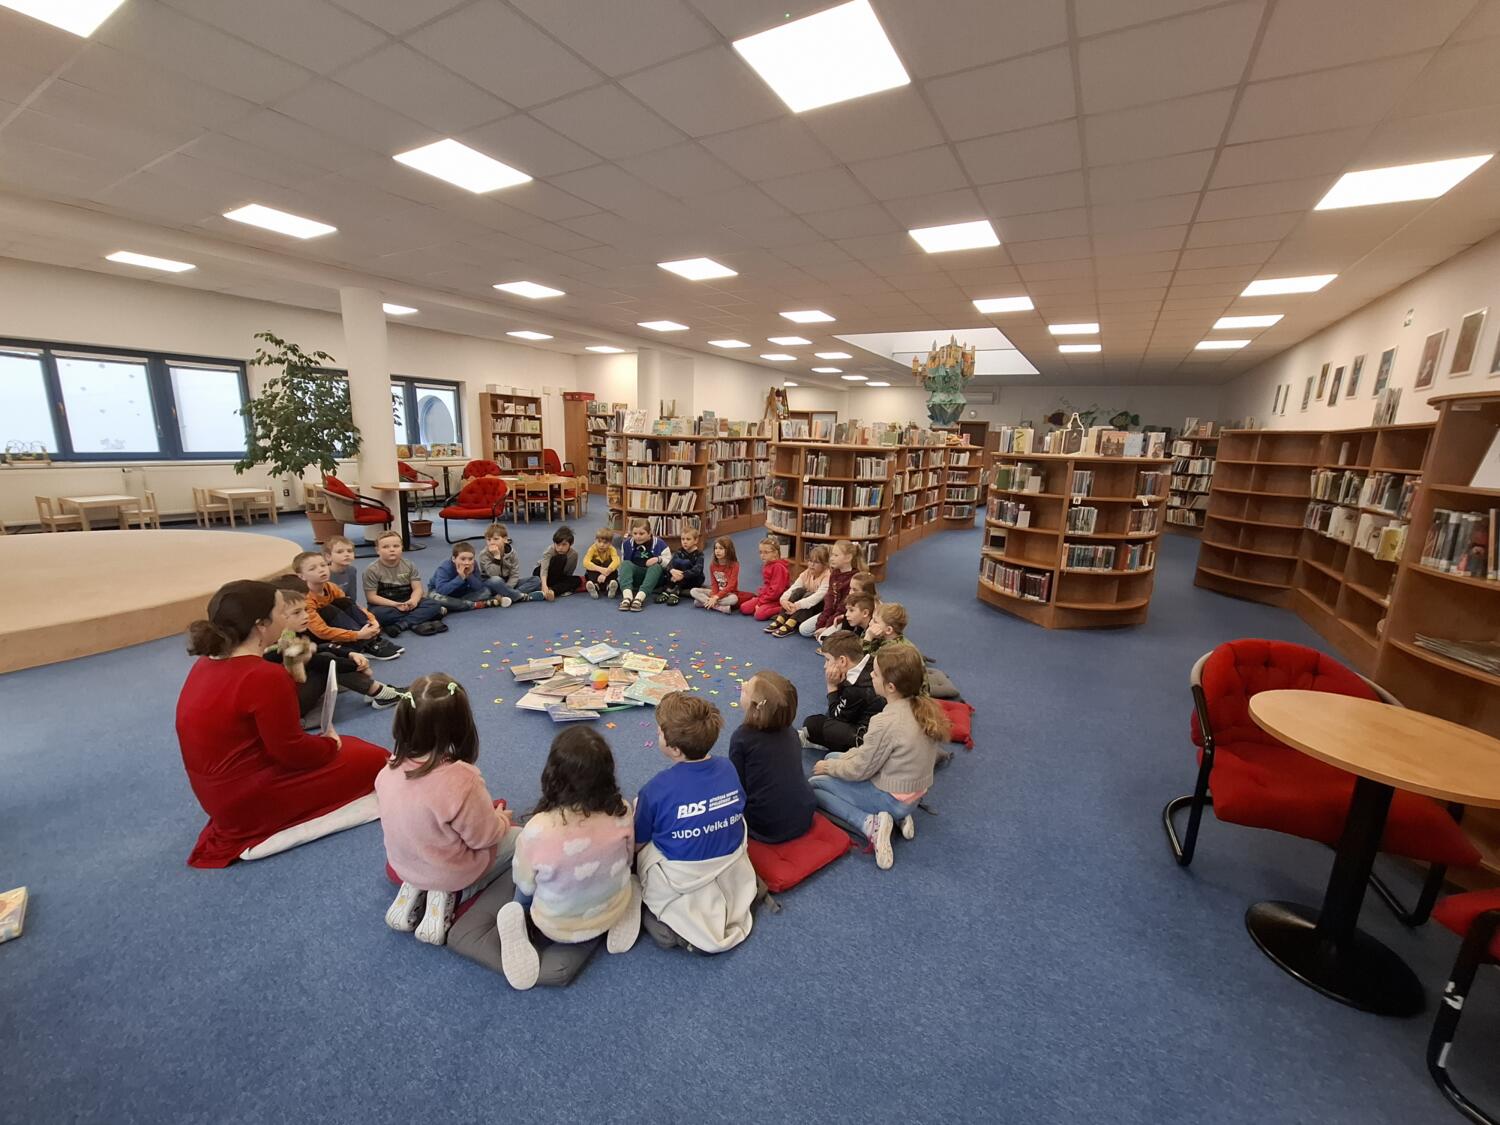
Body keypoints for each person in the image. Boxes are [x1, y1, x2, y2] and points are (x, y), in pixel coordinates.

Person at [174, 579, 388, 868]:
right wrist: (329, 745)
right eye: (280, 611)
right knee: (374, 758)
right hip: (250, 796)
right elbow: (291, 751)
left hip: (218, 795)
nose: (286, 617)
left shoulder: (204, 664)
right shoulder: (263, 675)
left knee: (353, 749)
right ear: (261, 625)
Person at [377, 674, 521, 945]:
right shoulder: (462, 780)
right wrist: (501, 820)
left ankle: (416, 887)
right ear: (461, 726)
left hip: (405, 862)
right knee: (521, 838)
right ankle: (449, 893)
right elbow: (484, 838)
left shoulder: (387, 770)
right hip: (452, 870)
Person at [494, 727, 640, 990]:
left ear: (553, 776)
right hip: (612, 906)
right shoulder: (622, 811)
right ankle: (623, 905)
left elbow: (525, 883)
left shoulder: (538, 829)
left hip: (553, 926)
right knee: (623, 874)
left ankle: (519, 920)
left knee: (522, 891)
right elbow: (629, 859)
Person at [634, 692, 756, 953]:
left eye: (659, 732)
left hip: (683, 872)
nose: (657, 733)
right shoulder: (728, 767)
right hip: (729, 857)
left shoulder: (656, 789)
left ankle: (667, 921)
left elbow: (637, 843)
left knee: (639, 852)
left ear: (675, 749)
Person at [809, 644, 949, 870]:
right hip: (911, 793)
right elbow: (869, 754)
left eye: (875, 673)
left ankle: (869, 824)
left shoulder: (886, 722)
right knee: (834, 756)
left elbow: (860, 770)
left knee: (814, 786)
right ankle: (898, 817)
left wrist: (829, 768)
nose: (871, 676)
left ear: (890, 687)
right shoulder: (922, 706)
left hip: (892, 799)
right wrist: (835, 761)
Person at [266, 577, 403, 713]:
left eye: (305, 609)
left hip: (294, 689)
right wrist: (356, 666)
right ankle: (380, 693)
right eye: (297, 612)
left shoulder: (290, 633)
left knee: (330, 657)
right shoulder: (280, 644)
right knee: (329, 664)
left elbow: (319, 647)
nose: (306, 616)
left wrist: (349, 654)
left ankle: (375, 690)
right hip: (289, 707)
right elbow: (319, 661)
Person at [729, 670, 816, 845]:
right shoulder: (791, 732)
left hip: (767, 825)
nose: (742, 684)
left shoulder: (742, 738)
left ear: (757, 709)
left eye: (747, 689)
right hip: (804, 814)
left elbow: (737, 786)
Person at [295, 550, 402, 661]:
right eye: (312, 569)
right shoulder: (304, 599)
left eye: (323, 565)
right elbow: (321, 631)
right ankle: (364, 644)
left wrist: (372, 621)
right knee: (327, 610)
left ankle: (372, 638)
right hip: (316, 637)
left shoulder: (331, 587)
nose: (321, 570)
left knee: (344, 602)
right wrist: (357, 635)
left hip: (338, 630)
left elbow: (353, 606)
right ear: (301, 576)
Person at [800, 630, 884, 755]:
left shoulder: (855, 689)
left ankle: (836, 747)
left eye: (827, 660)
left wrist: (832, 686)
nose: (825, 666)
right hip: (878, 723)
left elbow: (836, 717)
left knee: (811, 724)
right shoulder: (870, 660)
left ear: (842, 661)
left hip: (866, 738)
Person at [363, 531, 446, 636]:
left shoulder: (409, 565)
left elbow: (418, 589)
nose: (392, 549)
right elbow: (371, 597)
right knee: (378, 615)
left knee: (434, 605)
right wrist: (395, 604)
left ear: (401, 547)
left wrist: (413, 601)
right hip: (386, 604)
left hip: (407, 600)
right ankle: (420, 620)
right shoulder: (371, 570)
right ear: (377, 550)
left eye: (396, 546)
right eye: (385, 547)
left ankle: (401, 625)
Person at [766, 545, 829, 638]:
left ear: (825, 565)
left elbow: (817, 598)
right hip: (802, 606)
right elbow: (794, 587)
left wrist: (797, 605)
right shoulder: (806, 573)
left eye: (816, 562)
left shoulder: (827, 576)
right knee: (799, 591)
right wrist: (784, 600)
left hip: (818, 606)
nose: (811, 565)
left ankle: (791, 622)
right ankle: (782, 617)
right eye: (810, 561)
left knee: (810, 595)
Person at [428, 541, 506, 612]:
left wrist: (469, 575)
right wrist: (460, 577)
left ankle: (453, 606)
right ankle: (474, 605)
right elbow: (441, 591)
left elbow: (479, 587)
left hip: (461, 593)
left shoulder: (473, 564)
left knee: (486, 592)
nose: (467, 563)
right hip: (440, 592)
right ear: (454, 559)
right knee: (435, 598)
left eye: (470, 559)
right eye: (463, 559)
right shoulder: (444, 568)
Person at [807, 539, 859, 639]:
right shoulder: (834, 573)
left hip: (843, 616)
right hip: (832, 613)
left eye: (836, 555)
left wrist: (827, 625)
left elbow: (843, 607)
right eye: (832, 555)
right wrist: (822, 622)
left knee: (823, 639)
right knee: (804, 630)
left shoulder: (854, 578)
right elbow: (829, 599)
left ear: (848, 558)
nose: (831, 558)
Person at [617, 519, 670, 613]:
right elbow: (624, 565)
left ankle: (639, 599)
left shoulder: (660, 544)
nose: (638, 537)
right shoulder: (626, 544)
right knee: (625, 564)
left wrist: (658, 559)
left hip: (654, 579)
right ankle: (627, 598)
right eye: (635, 533)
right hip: (636, 577)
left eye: (642, 534)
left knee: (656, 567)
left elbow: (670, 564)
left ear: (649, 533)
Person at [517, 526, 580, 601]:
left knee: (577, 580)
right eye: (558, 544)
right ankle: (545, 588)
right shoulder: (550, 550)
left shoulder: (574, 555)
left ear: (571, 544)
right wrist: (544, 586)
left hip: (557, 577)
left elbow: (568, 574)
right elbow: (544, 569)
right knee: (561, 558)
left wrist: (564, 581)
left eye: (564, 544)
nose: (560, 548)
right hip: (541, 574)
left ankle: (552, 591)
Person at [739, 537, 791, 620]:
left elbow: (776, 591)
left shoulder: (779, 568)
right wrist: (761, 596)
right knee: (744, 608)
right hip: (768, 597)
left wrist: (760, 602)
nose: (762, 555)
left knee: (759, 615)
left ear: (775, 553)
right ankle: (765, 607)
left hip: (778, 598)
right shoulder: (768, 564)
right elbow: (767, 585)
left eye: (766, 552)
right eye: (760, 552)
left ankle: (784, 609)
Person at [478, 523, 528, 606]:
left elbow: (514, 574)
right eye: (489, 540)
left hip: (506, 582)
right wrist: (496, 557)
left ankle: (503, 596)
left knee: (535, 580)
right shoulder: (483, 555)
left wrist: (507, 588)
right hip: (491, 583)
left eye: (496, 539)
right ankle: (518, 596)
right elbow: (493, 574)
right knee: (496, 580)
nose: (492, 542)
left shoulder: (512, 553)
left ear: (505, 540)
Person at [689, 536, 741, 613]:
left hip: (728, 593)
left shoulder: (735, 565)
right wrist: (714, 596)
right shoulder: (712, 565)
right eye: (716, 548)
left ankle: (704, 603)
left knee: (734, 599)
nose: (717, 551)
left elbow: (731, 585)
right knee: (693, 591)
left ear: (729, 550)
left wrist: (716, 597)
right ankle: (719, 607)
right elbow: (714, 584)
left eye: (721, 548)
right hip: (715, 592)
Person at [656, 525, 704, 605]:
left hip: (693, 579)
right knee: (675, 564)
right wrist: (672, 571)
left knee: (685, 563)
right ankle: (669, 588)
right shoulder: (679, 551)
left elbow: (697, 570)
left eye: (688, 539)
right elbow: (669, 565)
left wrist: (683, 575)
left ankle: (676, 590)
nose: (685, 542)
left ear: (696, 540)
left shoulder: (699, 554)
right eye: (683, 539)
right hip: (677, 577)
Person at [581, 527, 621, 600]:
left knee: (609, 562)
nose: (601, 545)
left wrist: (605, 573)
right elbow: (585, 562)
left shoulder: (612, 549)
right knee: (594, 561)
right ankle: (595, 586)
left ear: (610, 543)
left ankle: (609, 586)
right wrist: (600, 569)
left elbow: (617, 561)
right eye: (599, 542)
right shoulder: (592, 548)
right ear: (595, 540)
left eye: (605, 543)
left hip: (608, 574)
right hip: (596, 574)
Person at [322, 535, 361, 602]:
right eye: (339, 552)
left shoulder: (352, 570)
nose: (346, 554)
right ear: (328, 557)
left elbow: (352, 597)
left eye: (349, 551)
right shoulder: (323, 574)